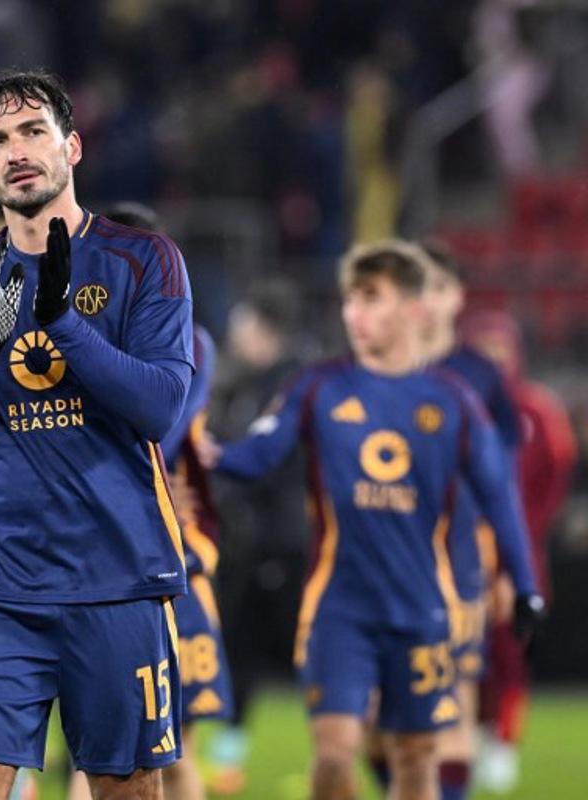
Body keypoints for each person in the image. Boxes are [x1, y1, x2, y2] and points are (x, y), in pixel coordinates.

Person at [0, 69, 198, 800]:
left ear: (72, 146)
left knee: (124, 791)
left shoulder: (144, 261)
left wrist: (64, 324)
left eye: (33, 131)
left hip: (117, 578)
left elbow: (161, 408)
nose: (16, 150)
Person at [199, 240, 543, 800]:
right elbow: (257, 455)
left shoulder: (453, 398)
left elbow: (499, 495)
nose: (354, 314)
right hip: (340, 609)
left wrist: (524, 584)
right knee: (334, 755)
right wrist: (203, 452)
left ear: (412, 306)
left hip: (423, 608)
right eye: (350, 299)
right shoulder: (318, 386)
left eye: (371, 298)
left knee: (413, 761)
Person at [99, 202, 231, 800]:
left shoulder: (190, 338)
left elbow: (164, 426)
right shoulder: (84, 325)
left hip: (170, 551)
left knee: (175, 747)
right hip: (95, 550)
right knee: (101, 745)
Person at [415, 240, 523, 800]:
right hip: (379, 551)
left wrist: (506, 564)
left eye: (436, 285)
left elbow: (502, 478)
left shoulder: (480, 375)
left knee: (452, 693)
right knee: (379, 717)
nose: (424, 300)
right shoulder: (373, 362)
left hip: (458, 551)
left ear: (456, 296)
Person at [461, 310, 576, 794]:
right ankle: (462, 736)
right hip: (460, 553)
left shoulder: (537, 410)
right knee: (462, 649)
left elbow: (555, 477)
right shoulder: (458, 405)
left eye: (500, 349)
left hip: (517, 555)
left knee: (511, 652)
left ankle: (502, 742)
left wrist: (520, 546)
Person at [202, 281, 309, 795]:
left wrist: (214, 462)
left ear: (265, 329)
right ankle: (229, 757)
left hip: (285, 541)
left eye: (243, 325)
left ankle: (344, 741)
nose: (235, 335)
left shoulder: (290, 386)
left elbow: (267, 462)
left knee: (302, 648)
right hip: (253, 539)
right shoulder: (248, 383)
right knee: (240, 648)